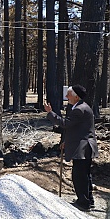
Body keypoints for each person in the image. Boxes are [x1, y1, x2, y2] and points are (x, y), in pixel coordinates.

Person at [44, 84, 98, 212]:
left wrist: (50, 113)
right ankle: (88, 200)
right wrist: (67, 142)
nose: (66, 96)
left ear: (76, 97)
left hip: (83, 147)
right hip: (85, 146)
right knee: (85, 175)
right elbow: (76, 129)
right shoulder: (81, 107)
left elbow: (66, 124)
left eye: (69, 94)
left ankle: (83, 203)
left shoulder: (79, 109)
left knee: (79, 176)